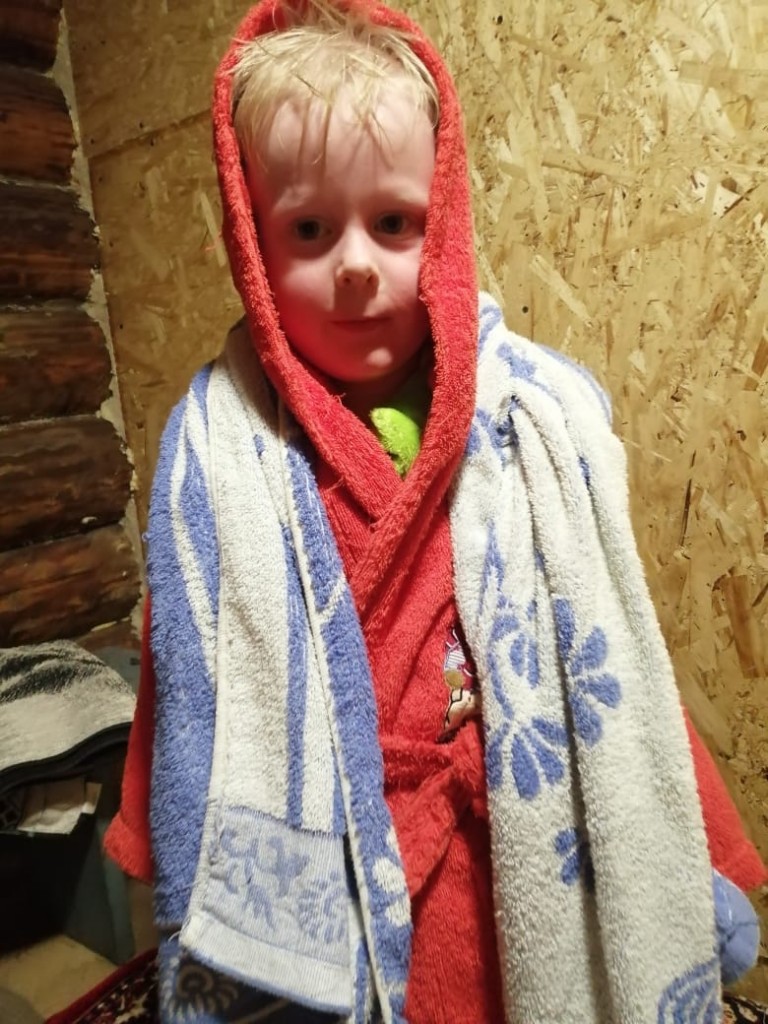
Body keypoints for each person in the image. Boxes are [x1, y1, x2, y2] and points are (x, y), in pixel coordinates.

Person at [105, 1, 766, 1021]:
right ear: (251, 238)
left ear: (444, 224)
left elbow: (605, 652)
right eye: (310, 228)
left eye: (394, 223)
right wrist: (172, 850)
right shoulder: (220, 455)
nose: (356, 262)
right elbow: (193, 674)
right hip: (338, 854)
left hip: (519, 843)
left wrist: (694, 854)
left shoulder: (531, 420)